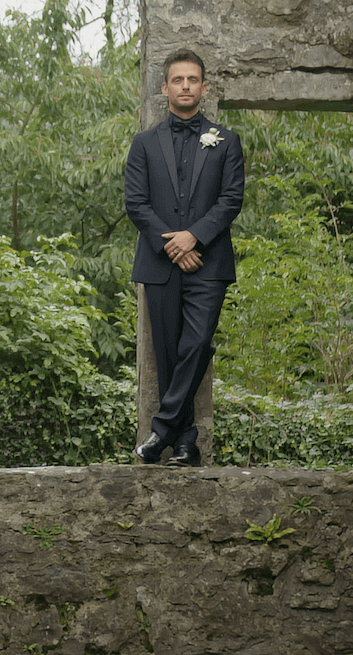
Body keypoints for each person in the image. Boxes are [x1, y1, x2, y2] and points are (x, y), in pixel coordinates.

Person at [124, 49, 245, 466]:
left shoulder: (227, 142)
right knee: (169, 354)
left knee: (196, 345)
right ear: (165, 88)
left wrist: (194, 238)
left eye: (193, 80)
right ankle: (187, 442)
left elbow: (231, 201)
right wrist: (172, 247)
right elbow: (136, 204)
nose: (186, 86)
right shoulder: (143, 144)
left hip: (209, 265)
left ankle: (160, 433)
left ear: (204, 88)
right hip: (159, 265)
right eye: (178, 80)